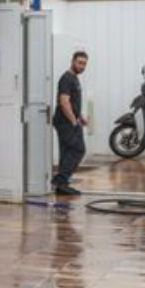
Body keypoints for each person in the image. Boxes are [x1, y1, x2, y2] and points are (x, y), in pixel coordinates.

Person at [53, 50, 88, 196]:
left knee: (67, 152)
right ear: (72, 61)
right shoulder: (67, 78)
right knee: (78, 149)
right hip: (66, 122)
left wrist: (79, 116)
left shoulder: (74, 78)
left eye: (84, 64)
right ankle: (60, 180)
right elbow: (64, 101)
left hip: (69, 120)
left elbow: (72, 103)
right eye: (79, 63)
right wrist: (74, 121)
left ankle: (62, 185)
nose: (82, 66)